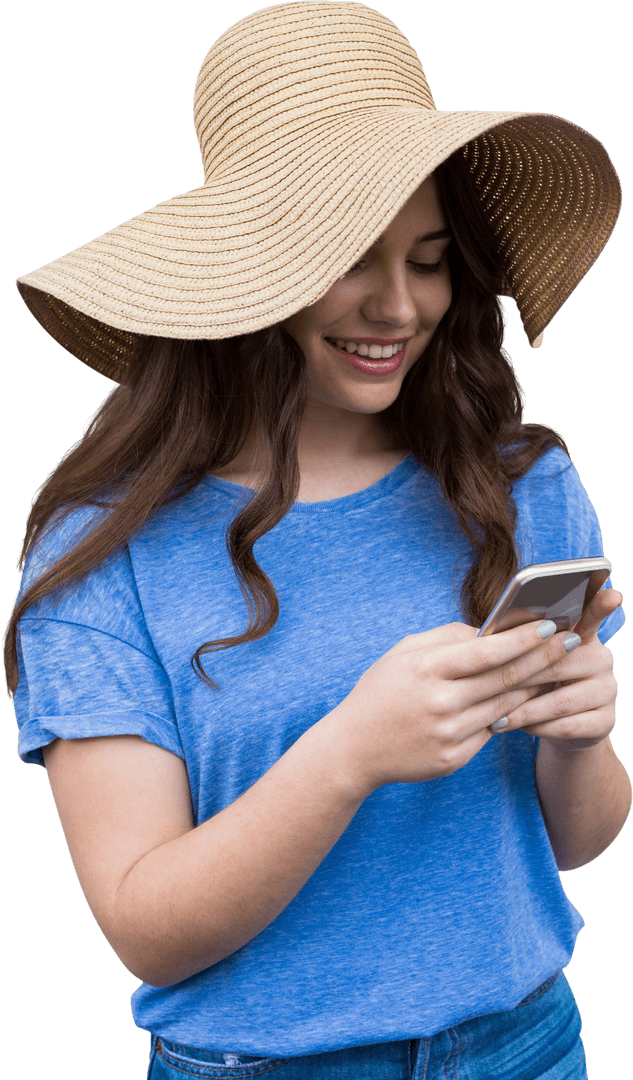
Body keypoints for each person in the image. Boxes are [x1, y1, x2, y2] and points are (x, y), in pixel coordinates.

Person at [5, 3, 631, 1078]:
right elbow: (143, 926)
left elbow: (571, 843)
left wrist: (582, 738)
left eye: (431, 260)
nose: (399, 305)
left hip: (527, 1047)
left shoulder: (521, 486)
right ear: (248, 271)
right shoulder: (106, 551)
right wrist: (347, 754)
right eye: (353, 257)